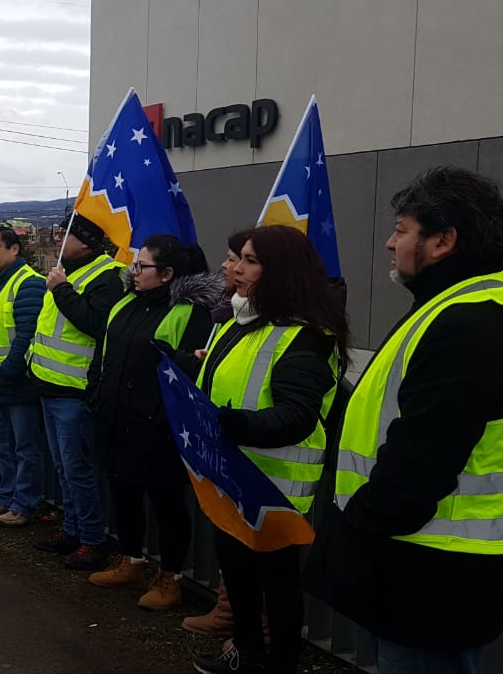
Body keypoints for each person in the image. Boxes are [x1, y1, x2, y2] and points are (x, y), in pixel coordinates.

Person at [306, 166, 503, 674]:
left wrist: (352, 533)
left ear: (443, 241)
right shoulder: (466, 306)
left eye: (402, 230)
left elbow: (421, 461)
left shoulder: (471, 321)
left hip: (433, 572)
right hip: (434, 566)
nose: (391, 244)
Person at [190, 225, 347, 674]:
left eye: (251, 261)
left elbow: (296, 417)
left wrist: (228, 423)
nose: (237, 269)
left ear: (283, 271)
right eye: (239, 258)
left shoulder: (306, 335)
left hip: (273, 486)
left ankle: (280, 663)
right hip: (233, 476)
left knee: (276, 584)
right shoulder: (242, 320)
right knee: (237, 575)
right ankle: (247, 651)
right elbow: (234, 384)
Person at [86, 236, 218, 610]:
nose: (133, 271)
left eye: (141, 266)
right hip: (116, 418)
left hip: (159, 427)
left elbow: (190, 373)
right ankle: (130, 561)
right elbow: (106, 352)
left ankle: (169, 578)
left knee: (166, 503)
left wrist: (163, 419)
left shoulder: (189, 312)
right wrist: (96, 394)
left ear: (167, 273)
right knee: (123, 493)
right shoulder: (126, 302)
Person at [25, 215, 125, 568]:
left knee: (78, 469)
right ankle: (72, 529)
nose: (57, 239)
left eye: (64, 234)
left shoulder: (105, 277)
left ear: (85, 241)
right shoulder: (65, 272)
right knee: (63, 467)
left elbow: (97, 324)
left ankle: (93, 540)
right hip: (50, 386)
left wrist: (62, 290)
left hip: (75, 391)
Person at [183, 228, 253, 637]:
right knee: (232, 546)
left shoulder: (278, 325)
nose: (230, 266)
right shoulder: (229, 313)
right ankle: (231, 615)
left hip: (262, 463)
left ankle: (249, 634)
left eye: (242, 259)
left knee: (262, 565)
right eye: (232, 258)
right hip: (225, 450)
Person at [0, 227, 47, 528]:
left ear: (14, 250)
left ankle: (25, 504)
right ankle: (6, 497)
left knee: (25, 447)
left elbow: (27, 334)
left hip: (18, 383)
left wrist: (9, 369)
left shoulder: (28, 283)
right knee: (0, 443)